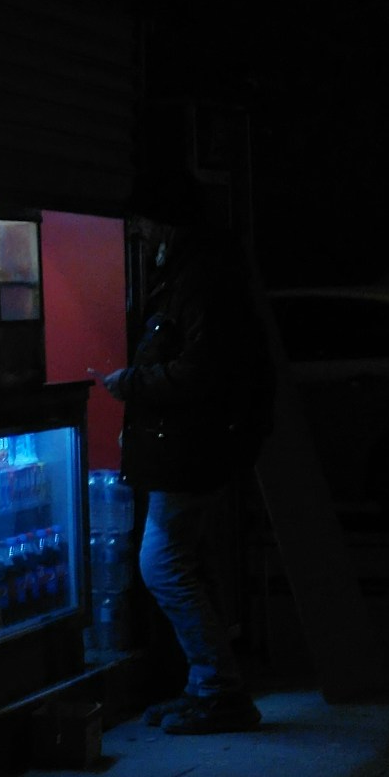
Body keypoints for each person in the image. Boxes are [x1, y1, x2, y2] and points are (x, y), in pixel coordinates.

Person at [101, 182, 277, 733]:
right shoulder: (196, 272)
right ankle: (206, 684)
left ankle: (219, 690)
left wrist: (131, 382)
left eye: (143, 223)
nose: (137, 233)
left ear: (165, 225)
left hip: (191, 448)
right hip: (192, 447)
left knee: (163, 563)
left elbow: (203, 369)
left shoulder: (196, 280)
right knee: (184, 562)